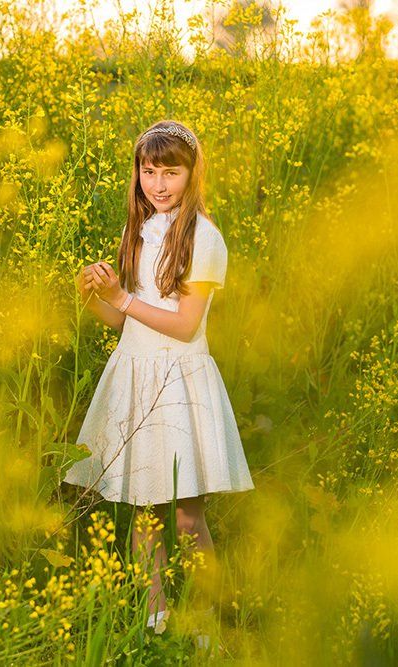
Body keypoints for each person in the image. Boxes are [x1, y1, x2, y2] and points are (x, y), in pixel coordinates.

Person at [63, 120, 254, 643]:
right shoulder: (138, 230)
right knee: (145, 511)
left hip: (180, 381)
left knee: (188, 517)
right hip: (136, 373)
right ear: (138, 174)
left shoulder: (204, 238)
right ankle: (156, 623)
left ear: (193, 174)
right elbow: (126, 322)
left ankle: (211, 623)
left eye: (171, 172)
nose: (159, 184)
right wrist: (98, 295)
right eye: (150, 172)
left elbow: (185, 324)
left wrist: (123, 299)